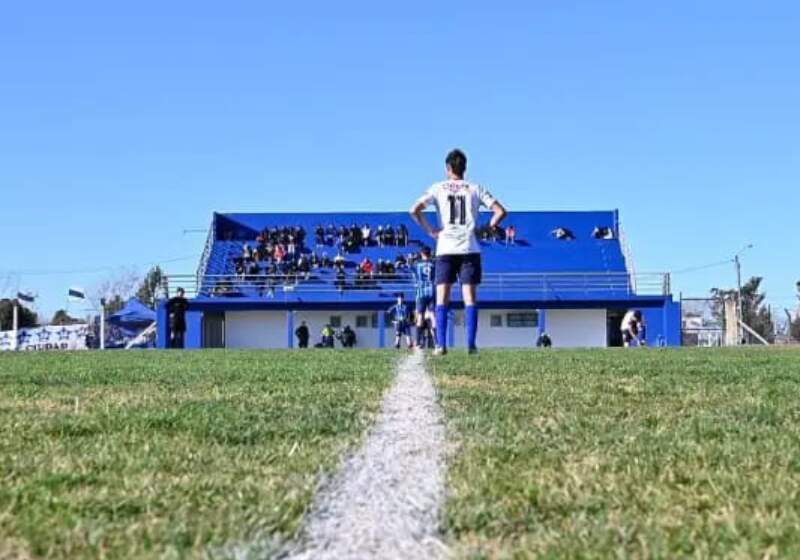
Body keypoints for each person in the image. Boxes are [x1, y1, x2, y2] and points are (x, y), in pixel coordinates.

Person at [410, 148, 507, 355]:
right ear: (465, 168)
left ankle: (440, 345)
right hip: (469, 247)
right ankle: (471, 344)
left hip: (445, 247)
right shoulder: (475, 188)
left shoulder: (438, 188)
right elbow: (500, 211)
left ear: (448, 168)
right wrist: (487, 228)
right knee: (469, 298)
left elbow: (414, 210)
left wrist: (430, 231)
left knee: (441, 297)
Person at [411, 246, 436, 348]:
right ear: (430, 253)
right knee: (433, 316)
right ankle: (437, 342)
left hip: (421, 292)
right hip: (431, 291)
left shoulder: (417, 264)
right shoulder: (433, 264)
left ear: (422, 253)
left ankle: (418, 342)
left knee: (420, 316)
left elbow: (412, 271)